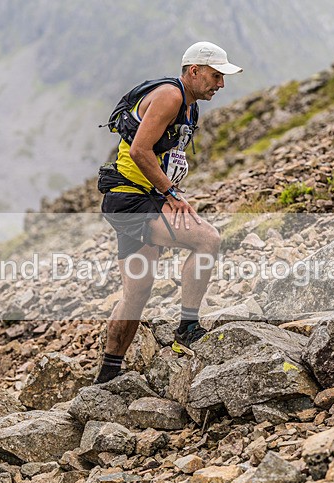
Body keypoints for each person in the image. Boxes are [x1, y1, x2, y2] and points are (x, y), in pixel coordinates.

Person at [96, 42, 243, 383]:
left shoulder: (189, 106)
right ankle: (188, 327)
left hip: (138, 197)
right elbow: (139, 150)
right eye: (216, 76)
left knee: (137, 292)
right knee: (207, 239)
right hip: (130, 200)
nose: (220, 84)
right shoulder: (170, 97)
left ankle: (107, 375)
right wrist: (171, 193)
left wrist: (167, 190)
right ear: (194, 71)